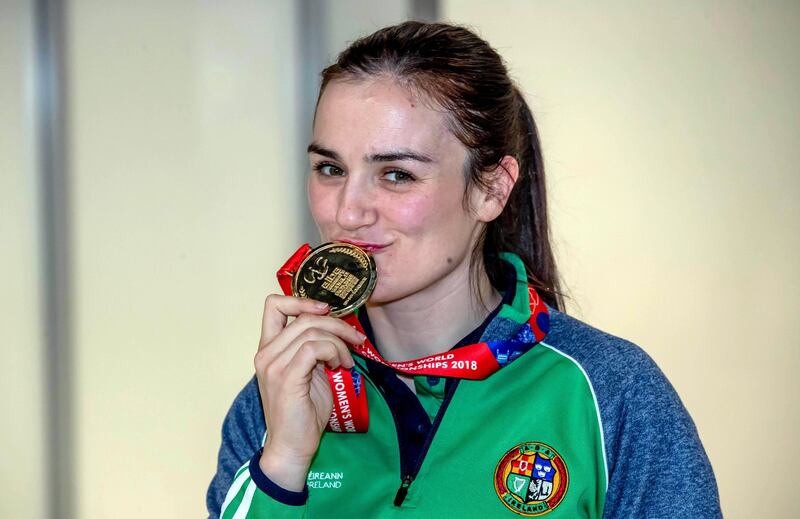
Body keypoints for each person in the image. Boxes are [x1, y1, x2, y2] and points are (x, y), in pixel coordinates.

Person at [207, 21, 721, 518]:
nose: (346, 211)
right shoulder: (279, 395)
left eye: (396, 174)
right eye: (330, 169)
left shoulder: (609, 391)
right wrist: (283, 465)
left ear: (491, 189)